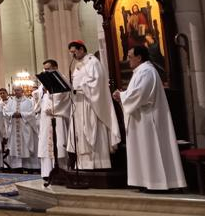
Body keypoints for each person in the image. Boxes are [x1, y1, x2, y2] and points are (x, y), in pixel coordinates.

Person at [113, 46, 186, 191]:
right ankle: (147, 182)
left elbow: (141, 93)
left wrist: (121, 96)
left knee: (151, 149)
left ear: (139, 57)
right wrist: (124, 94)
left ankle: (156, 183)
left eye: (130, 56)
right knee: (144, 150)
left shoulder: (147, 71)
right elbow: (136, 92)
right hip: (141, 118)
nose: (128, 60)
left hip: (148, 119)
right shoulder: (141, 71)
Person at [66, 40, 121, 169]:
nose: (72, 55)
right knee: (80, 133)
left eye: (74, 52)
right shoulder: (78, 65)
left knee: (92, 130)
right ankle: (83, 165)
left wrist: (82, 87)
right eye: (71, 53)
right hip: (79, 104)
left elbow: (98, 83)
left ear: (81, 49)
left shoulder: (93, 62)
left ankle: (99, 164)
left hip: (91, 104)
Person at [36, 59, 71, 179]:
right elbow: (39, 99)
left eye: (48, 69)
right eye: (44, 69)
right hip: (46, 118)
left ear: (55, 68)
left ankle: (61, 171)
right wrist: (42, 93)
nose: (45, 71)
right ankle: (47, 173)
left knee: (59, 144)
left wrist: (52, 106)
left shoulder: (62, 80)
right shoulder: (44, 82)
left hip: (57, 116)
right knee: (46, 145)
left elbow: (64, 97)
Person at [3, 86, 36, 172]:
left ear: (22, 91)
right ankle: (16, 167)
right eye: (15, 90)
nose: (16, 92)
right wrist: (12, 114)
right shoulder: (10, 102)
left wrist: (22, 114)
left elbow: (32, 114)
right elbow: (5, 113)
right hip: (14, 129)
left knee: (25, 146)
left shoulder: (28, 102)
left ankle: (27, 166)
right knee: (14, 147)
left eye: (18, 90)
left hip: (24, 129)